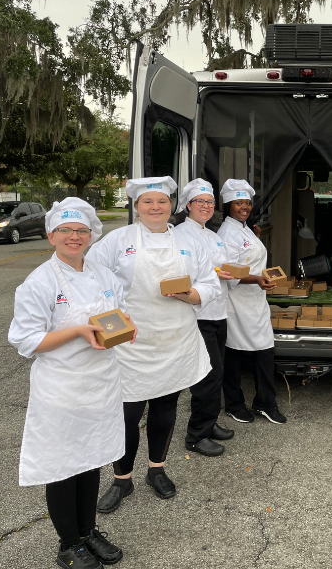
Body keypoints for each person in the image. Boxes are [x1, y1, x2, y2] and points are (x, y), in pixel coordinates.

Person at [8, 198, 134, 569]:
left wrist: (126, 324)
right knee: (63, 467)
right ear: (51, 236)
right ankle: (69, 544)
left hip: (101, 383)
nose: (73, 236)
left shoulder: (103, 274)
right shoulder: (39, 282)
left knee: (92, 460)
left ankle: (88, 531)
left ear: (91, 235)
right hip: (61, 388)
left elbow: (117, 312)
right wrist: (78, 330)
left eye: (81, 230)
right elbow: (27, 341)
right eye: (65, 230)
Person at [87, 176, 219, 513]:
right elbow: (91, 282)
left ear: (172, 205)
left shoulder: (189, 241)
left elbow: (210, 282)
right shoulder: (117, 241)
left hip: (175, 338)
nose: (155, 207)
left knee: (165, 408)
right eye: (148, 202)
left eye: (162, 201)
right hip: (130, 342)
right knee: (127, 414)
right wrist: (113, 319)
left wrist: (191, 294)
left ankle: (156, 469)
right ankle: (122, 479)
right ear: (137, 207)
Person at [174, 178, 237, 456]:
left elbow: (220, 267)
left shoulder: (213, 236)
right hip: (197, 315)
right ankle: (196, 435)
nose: (206, 206)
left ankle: (209, 423)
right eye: (200, 201)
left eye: (210, 202)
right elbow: (182, 273)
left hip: (218, 312)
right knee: (207, 376)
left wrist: (227, 272)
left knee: (217, 372)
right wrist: (215, 273)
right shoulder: (179, 235)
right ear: (188, 205)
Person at [217, 179, 286, 424]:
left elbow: (249, 256)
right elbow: (228, 273)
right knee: (234, 353)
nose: (244, 207)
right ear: (228, 206)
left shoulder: (245, 228)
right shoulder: (227, 234)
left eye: (247, 202)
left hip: (255, 300)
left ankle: (264, 402)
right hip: (237, 303)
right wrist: (257, 278)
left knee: (264, 350)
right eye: (238, 203)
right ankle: (234, 404)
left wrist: (255, 237)